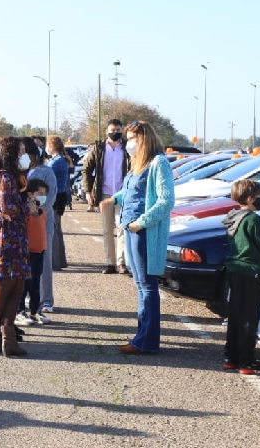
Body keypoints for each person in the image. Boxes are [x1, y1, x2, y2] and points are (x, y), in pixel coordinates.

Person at [104, 121, 175, 355]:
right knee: (140, 285)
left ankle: (147, 342)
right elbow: (130, 191)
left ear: (145, 139)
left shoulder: (159, 163)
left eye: (133, 138)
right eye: (128, 138)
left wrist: (140, 223)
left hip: (144, 231)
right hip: (131, 228)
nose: (129, 142)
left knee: (147, 286)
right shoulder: (137, 163)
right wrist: (114, 199)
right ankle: (141, 337)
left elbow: (165, 201)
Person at [222, 179, 260, 375]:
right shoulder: (253, 219)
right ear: (250, 198)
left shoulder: (233, 216)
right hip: (250, 271)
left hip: (234, 269)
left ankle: (231, 357)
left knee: (235, 315)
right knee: (249, 317)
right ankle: (247, 362)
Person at [0, 137, 33, 357]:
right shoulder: (4, 176)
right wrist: (28, 206)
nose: (25, 155)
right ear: (11, 153)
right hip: (4, 238)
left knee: (17, 286)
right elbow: (8, 208)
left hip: (14, 237)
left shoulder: (13, 176)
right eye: (21, 151)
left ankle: (7, 335)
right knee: (4, 287)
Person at [83, 119, 130, 274]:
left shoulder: (127, 147)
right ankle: (110, 263)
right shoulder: (99, 148)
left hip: (123, 193)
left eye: (118, 129)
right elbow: (86, 169)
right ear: (106, 131)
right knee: (107, 229)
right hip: (104, 193)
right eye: (112, 129)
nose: (115, 132)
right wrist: (88, 192)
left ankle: (121, 262)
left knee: (122, 226)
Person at [24, 139, 58, 314]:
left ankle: (46, 300)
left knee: (44, 262)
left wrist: (36, 212)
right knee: (27, 263)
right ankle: (30, 297)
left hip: (42, 224)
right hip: (25, 225)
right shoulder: (21, 171)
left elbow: (50, 197)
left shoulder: (47, 171)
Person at [16, 179, 49, 326]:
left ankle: (35, 311)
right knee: (25, 284)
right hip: (27, 252)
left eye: (44, 194)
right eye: (40, 193)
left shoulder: (43, 212)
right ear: (30, 194)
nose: (43, 196)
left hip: (40, 251)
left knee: (36, 283)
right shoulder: (26, 213)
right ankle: (19, 311)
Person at [46, 135, 70, 272]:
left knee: (54, 230)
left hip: (56, 196)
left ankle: (55, 261)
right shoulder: (60, 159)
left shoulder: (56, 162)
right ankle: (60, 260)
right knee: (57, 230)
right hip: (60, 195)